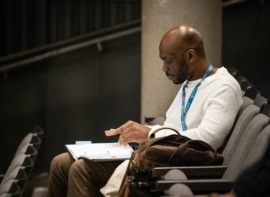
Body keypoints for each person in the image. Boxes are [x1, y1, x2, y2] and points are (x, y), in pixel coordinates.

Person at [47, 24, 243, 197]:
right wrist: (141, 131)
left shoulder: (223, 86)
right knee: (60, 163)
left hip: (172, 164)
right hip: (158, 154)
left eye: (168, 61)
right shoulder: (191, 82)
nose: (164, 68)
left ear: (190, 55)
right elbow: (173, 127)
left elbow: (207, 140)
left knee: (81, 170)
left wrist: (149, 133)